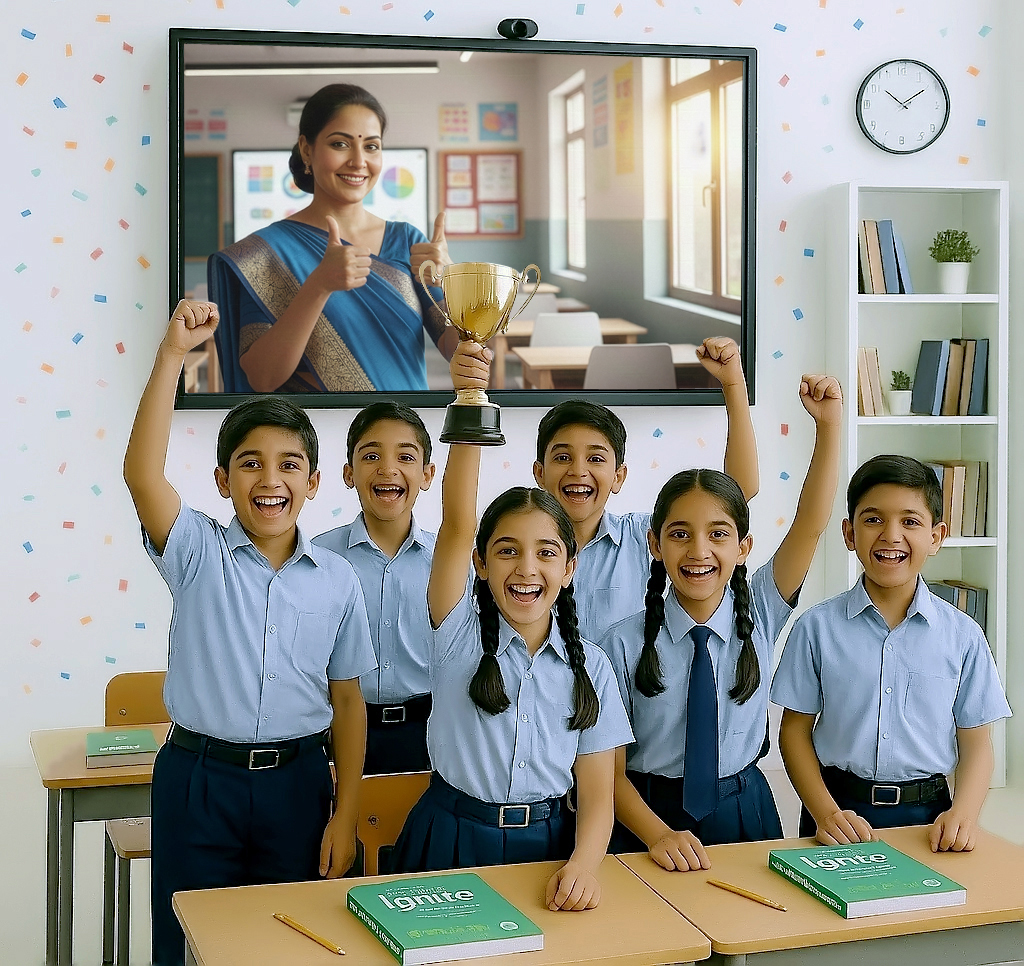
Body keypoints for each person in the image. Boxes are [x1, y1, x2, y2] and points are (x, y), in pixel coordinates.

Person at [123, 299, 377, 966]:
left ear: (314, 482)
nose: (271, 479)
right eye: (250, 464)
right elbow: (142, 475)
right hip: (198, 779)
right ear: (222, 480)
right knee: (190, 945)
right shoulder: (196, 552)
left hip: (297, 782)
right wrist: (173, 355)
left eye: (289, 464)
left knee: (292, 943)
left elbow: (348, 703)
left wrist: (345, 814)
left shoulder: (338, 578)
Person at [389, 341, 634, 911]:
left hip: (549, 847)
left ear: (569, 568)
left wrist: (585, 865)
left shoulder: (591, 665)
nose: (526, 569)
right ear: (480, 562)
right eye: (506, 551)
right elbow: (455, 524)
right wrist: (470, 401)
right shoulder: (456, 633)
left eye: (547, 553)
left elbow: (598, 794)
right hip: (449, 837)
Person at [600, 374, 843, 870]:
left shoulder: (762, 610)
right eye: (680, 534)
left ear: (743, 548)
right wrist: (658, 834)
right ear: (654, 544)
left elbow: (811, 523)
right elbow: (608, 771)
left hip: (744, 809)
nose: (699, 551)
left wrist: (829, 428)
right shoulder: (619, 644)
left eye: (718, 534)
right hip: (646, 819)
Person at [771, 454, 1012, 852]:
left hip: (929, 817)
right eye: (873, 519)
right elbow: (794, 732)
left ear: (936, 537)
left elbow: (976, 742)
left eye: (910, 521)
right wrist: (825, 812)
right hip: (836, 811)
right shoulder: (815, 628)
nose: (891, 535)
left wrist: (963, 815)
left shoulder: (964, 635)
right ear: (849, 534)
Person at [208, 83, 458, 393]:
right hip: (317, 434)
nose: (358, 161)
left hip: (404, 431)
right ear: (307, 149)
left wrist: (455, 285)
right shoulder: (267, 253)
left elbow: (456, 349)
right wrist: (318, 286)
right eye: (340, 144)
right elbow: (262, 378)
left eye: (371, 146)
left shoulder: (407, 241)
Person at [532, 336, 758, 644]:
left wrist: (733, 386)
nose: (578, 470)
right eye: (562, 457)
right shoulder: (519, 546)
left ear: (618, 476)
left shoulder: (642, 536)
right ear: (540, 473)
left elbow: (736, 495)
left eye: (595, 458)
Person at [313, 401, 437, 774]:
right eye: (371, 456)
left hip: (430, 733)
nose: (388, 469)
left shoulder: (449, 563)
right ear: (349, 473)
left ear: (427, 474)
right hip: (337, 731)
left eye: (405, 456)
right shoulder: (317, 557)